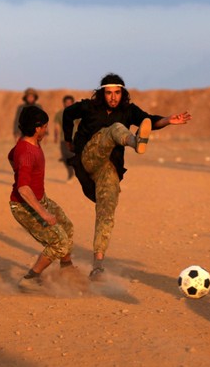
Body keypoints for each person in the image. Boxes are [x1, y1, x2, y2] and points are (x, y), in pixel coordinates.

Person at [62, 73, 192, 279]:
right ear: (102, 93)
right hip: (89, 157)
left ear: (122, 93)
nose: (113, 97)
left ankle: (97, 265)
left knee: (106, 212)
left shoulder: (128, 110)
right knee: (114, 129)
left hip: (109, 168)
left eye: (117, 93)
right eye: (109, 93)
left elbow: (149, 120)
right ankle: (134, 142)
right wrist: (68, 139)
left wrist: (167, 120)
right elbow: (67, 113)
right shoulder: (88, 107)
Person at [9, 105, 75, 293]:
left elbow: (10, 156)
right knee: (58, 242)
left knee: (67, 228)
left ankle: (66, 269)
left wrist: (19, 171)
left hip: (40, 199)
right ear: (37, 128)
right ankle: (30, 279)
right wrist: (43, 213)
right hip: (24, 206)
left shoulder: (30, 143)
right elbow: (22, 188)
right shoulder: (27, 152)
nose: (46, 130)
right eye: (45, 127)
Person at [54, 95, 79, 182]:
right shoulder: (59, 114)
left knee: (73, 156)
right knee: (65, 157)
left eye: (70, 102)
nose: (68, 104)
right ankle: (71, 173)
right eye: (66, 102)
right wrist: (55, 136)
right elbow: (56, 126)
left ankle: (76, 174)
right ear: (64, 103)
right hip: (63, 138)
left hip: (74, 138)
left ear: (72, 103)